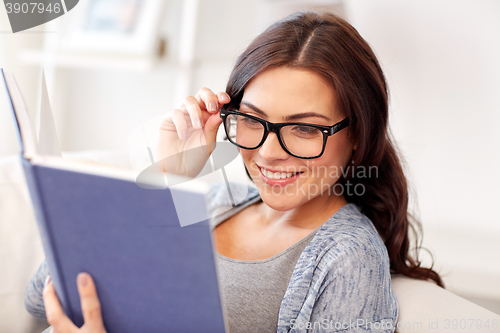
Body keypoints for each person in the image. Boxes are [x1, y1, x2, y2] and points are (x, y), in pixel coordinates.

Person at [26, 11, 443, 333]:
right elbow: (43, 291)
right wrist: (166, 181)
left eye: (303, 128)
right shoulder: (219, 204)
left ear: (358, 133)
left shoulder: (348, 257)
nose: (267, 151)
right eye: (252, 120)